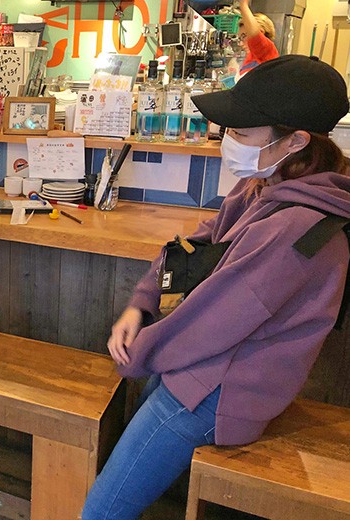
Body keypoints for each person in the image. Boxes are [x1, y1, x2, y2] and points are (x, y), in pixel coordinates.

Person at [81, 55, 350, 520]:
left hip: (222, 391)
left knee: (100, 513)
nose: (229, 141)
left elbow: (212, 320)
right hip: (202, 370)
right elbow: (194, 245)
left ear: (297, 141)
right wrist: (140, 304)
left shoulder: (294, 226)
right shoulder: (263, 187)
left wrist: (137, 356)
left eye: (241, 133)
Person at [238, 0, 279, 76]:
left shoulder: (266, 51)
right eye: (240, 38)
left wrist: (243, 4)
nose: (240, 43)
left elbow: (255, 36)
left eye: (244, 36)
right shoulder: (250, 57)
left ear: (261, 32)